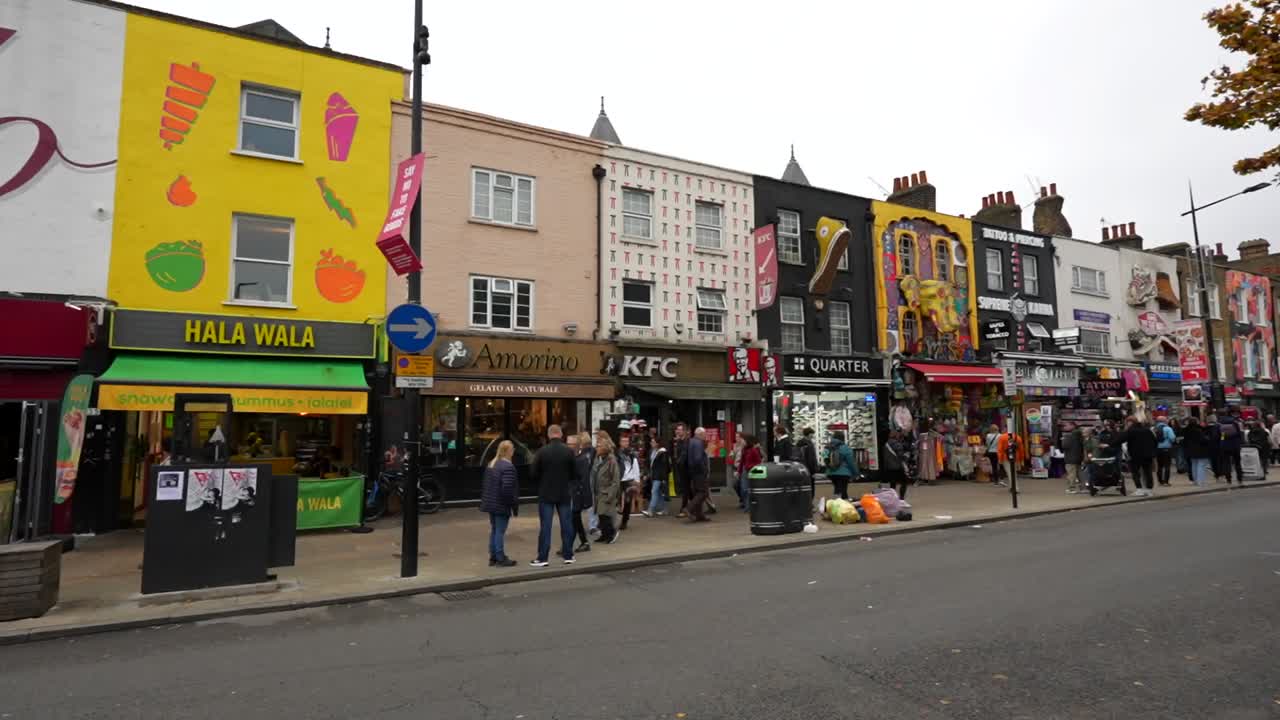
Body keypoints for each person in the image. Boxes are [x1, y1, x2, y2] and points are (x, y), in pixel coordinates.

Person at [529, 425, 578, 567]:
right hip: (563, 492)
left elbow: (533, 473)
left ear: (549, 435)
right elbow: (575, 473)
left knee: (546, 526)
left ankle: (543, 557)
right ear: (561, 434)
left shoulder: (542, 452)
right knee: (566, 524)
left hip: (546, 493)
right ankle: (568, 555)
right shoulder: (568, 452)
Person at [479, 440, 519, 567]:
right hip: (501, 504)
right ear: (508, 451)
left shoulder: (492, 464)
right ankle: (500, 557)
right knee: (500, 531)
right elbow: (507, 489)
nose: (514, 452)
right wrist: (512, 504)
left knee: (495, 530)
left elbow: (486, 485)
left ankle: (493, 556)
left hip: (491, 503)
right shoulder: (508, 467)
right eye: (512, 449)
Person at [592, 436, 622, 543]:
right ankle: (604, 535)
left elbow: (615, 480)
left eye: (599, 446)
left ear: (604, 448)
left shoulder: (611, 461)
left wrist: (611, 494)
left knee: (605, 516)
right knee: (601, 515)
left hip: (606, 493)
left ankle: (612, 534)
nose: (596, 447)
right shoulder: (598, 459)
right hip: (599, 493)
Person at [1118, 415, 1156, 497]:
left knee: (1135, 473)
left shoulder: (1130, 431)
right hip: (1147, 455)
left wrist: (1109, 444)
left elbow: (1120, 440)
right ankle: (1149, 490)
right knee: (1148, 472)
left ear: (1130, 422)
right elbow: (1154, 441)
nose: (1127, 424)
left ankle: (1140, 489)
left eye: (1127, 423)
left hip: (1135, 455)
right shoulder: (1147, 430)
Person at [570, 432, 595, 553]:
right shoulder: (573, 458)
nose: (569, 446)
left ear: (578, 445)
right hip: (571, 494)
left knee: (574, 518)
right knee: (574, 519)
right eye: (568, 443)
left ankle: (582, 542)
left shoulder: (582, 460)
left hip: (578, 495)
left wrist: (586, 499)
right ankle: (577, 543)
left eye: (571, 444)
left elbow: (584, 480)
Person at [618, 434, 643, 530]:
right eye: (623, 441)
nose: (625, 443)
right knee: (616, 500)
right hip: (619, 480)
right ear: (620, 442)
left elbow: (636, 467)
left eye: (626, 441)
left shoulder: (632, 454)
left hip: (629, 480)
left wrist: (637, 481)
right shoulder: (617, 453)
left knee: (628, 501)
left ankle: (624, 521)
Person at [686, 427, 711, 521]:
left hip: (694, 472)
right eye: (704, 434)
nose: (705, 437)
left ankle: (699, 515)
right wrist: (704, 469)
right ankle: (689, 508)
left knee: (698, 492)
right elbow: (697, 459)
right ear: (700, 434)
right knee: (703, 492)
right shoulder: (698, 443)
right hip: (699, 473)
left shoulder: (692, 442)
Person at [826, 431, 858, 500]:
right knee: (843, 491)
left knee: (837, 489)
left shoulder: (827, 447)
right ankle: (843, 506)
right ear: (843, 438)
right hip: (844, 473)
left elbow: (825, 457)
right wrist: (856, 473)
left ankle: (837, 503)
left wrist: (829, 466)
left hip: (831, 473)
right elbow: (851, 462)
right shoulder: (846, 448)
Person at [1181, 417, 1212, 487]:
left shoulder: (1185, 430)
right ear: (1196, 422)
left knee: (1194, 465)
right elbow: (1203, 440)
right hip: (1200, 450)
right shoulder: (1198, 430)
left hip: (1190, 450)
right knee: (1201, 465)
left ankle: (1195, 481)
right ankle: (1201, 482)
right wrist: (1208, 438)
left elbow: (1184, 441)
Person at [643, 439, 670, 517]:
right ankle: (664, 509)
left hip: (659, 476)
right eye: (651, 442)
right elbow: (650, 463)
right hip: (654, 475)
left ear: (658, 443)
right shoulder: (653, 451)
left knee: (654, 491)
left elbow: (664, 466)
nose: (651, 443)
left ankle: (650, 510)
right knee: (659, 492)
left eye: (653, 442)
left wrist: (663, 478)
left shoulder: (662, 452)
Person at [737, 434, 763, 512]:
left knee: (751, 489)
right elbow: (742, 461)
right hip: (745, 470)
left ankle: (749, 507)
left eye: (743, 440)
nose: (741, 442)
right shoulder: (744, 450)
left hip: (753, 470)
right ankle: (747, 506)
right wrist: (739, 471)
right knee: (744, 489)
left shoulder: (753, 450)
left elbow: (759, 462)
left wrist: (751, 467)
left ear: (747, 441)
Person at [881, 430, 909, 500]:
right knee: (904, 482)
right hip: (897, 467)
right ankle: (901, 498)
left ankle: (892, 499)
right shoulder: (897, 444)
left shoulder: (886, 444)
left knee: (892, 484)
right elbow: (901, 456)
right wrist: (906, 456)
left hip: (889, 467)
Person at [1218, 411, 1244, 484]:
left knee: (1226, 463)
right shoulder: (1235, 422)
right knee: (1237, 462)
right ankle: (1239, 478)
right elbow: (1239, 434)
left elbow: (1219, 435)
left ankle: (1228, 479)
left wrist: (1222, 440)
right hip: (1235, 444)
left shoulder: (1220, 424)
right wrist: (1240, 443)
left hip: (1224, 445)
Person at [672, 423, 692, 519]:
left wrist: (679, 462)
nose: (678, 431)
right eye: (677, 430)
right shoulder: (679, 441)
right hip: (681, 469)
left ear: (684, 431)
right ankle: (693, 508)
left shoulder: (687, 442)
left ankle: (684, 509)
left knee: (686, 490)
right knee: (688, 491)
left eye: (680, 430)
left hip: (686, 469)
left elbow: (684, 455)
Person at [1061, 421, 1085, 494]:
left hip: (1070, 457)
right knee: (1080, 473)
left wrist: (1063, 440)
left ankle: (1072, 488)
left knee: (1071, 473)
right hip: (1079, 457)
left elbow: (1064, 446)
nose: (1065, 427)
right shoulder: (1081, 435)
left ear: (1072, 426)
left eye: (1066, 425)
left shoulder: (1069, 436)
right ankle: (1083, 488)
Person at [1153, 416, 1176, 486]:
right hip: (1167, 448)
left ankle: (1160, 481)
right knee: (1167, 466)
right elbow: (1172, 438)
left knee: (1159, 466)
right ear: (1164, 421)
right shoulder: (1168, 428)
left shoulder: (1154, 429)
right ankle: (1166, 481)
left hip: (1157, 449)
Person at [730, 434, 747, 510]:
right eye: (735, 437)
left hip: (742, 468)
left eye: (738, 437)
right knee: (735, 485)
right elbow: (732, 456)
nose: (736, 438)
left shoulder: (744, 446)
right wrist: (732, 453)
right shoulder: (734, 446)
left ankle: (744, 502)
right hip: (736, 468)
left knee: (742, 485)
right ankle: (742, 500)